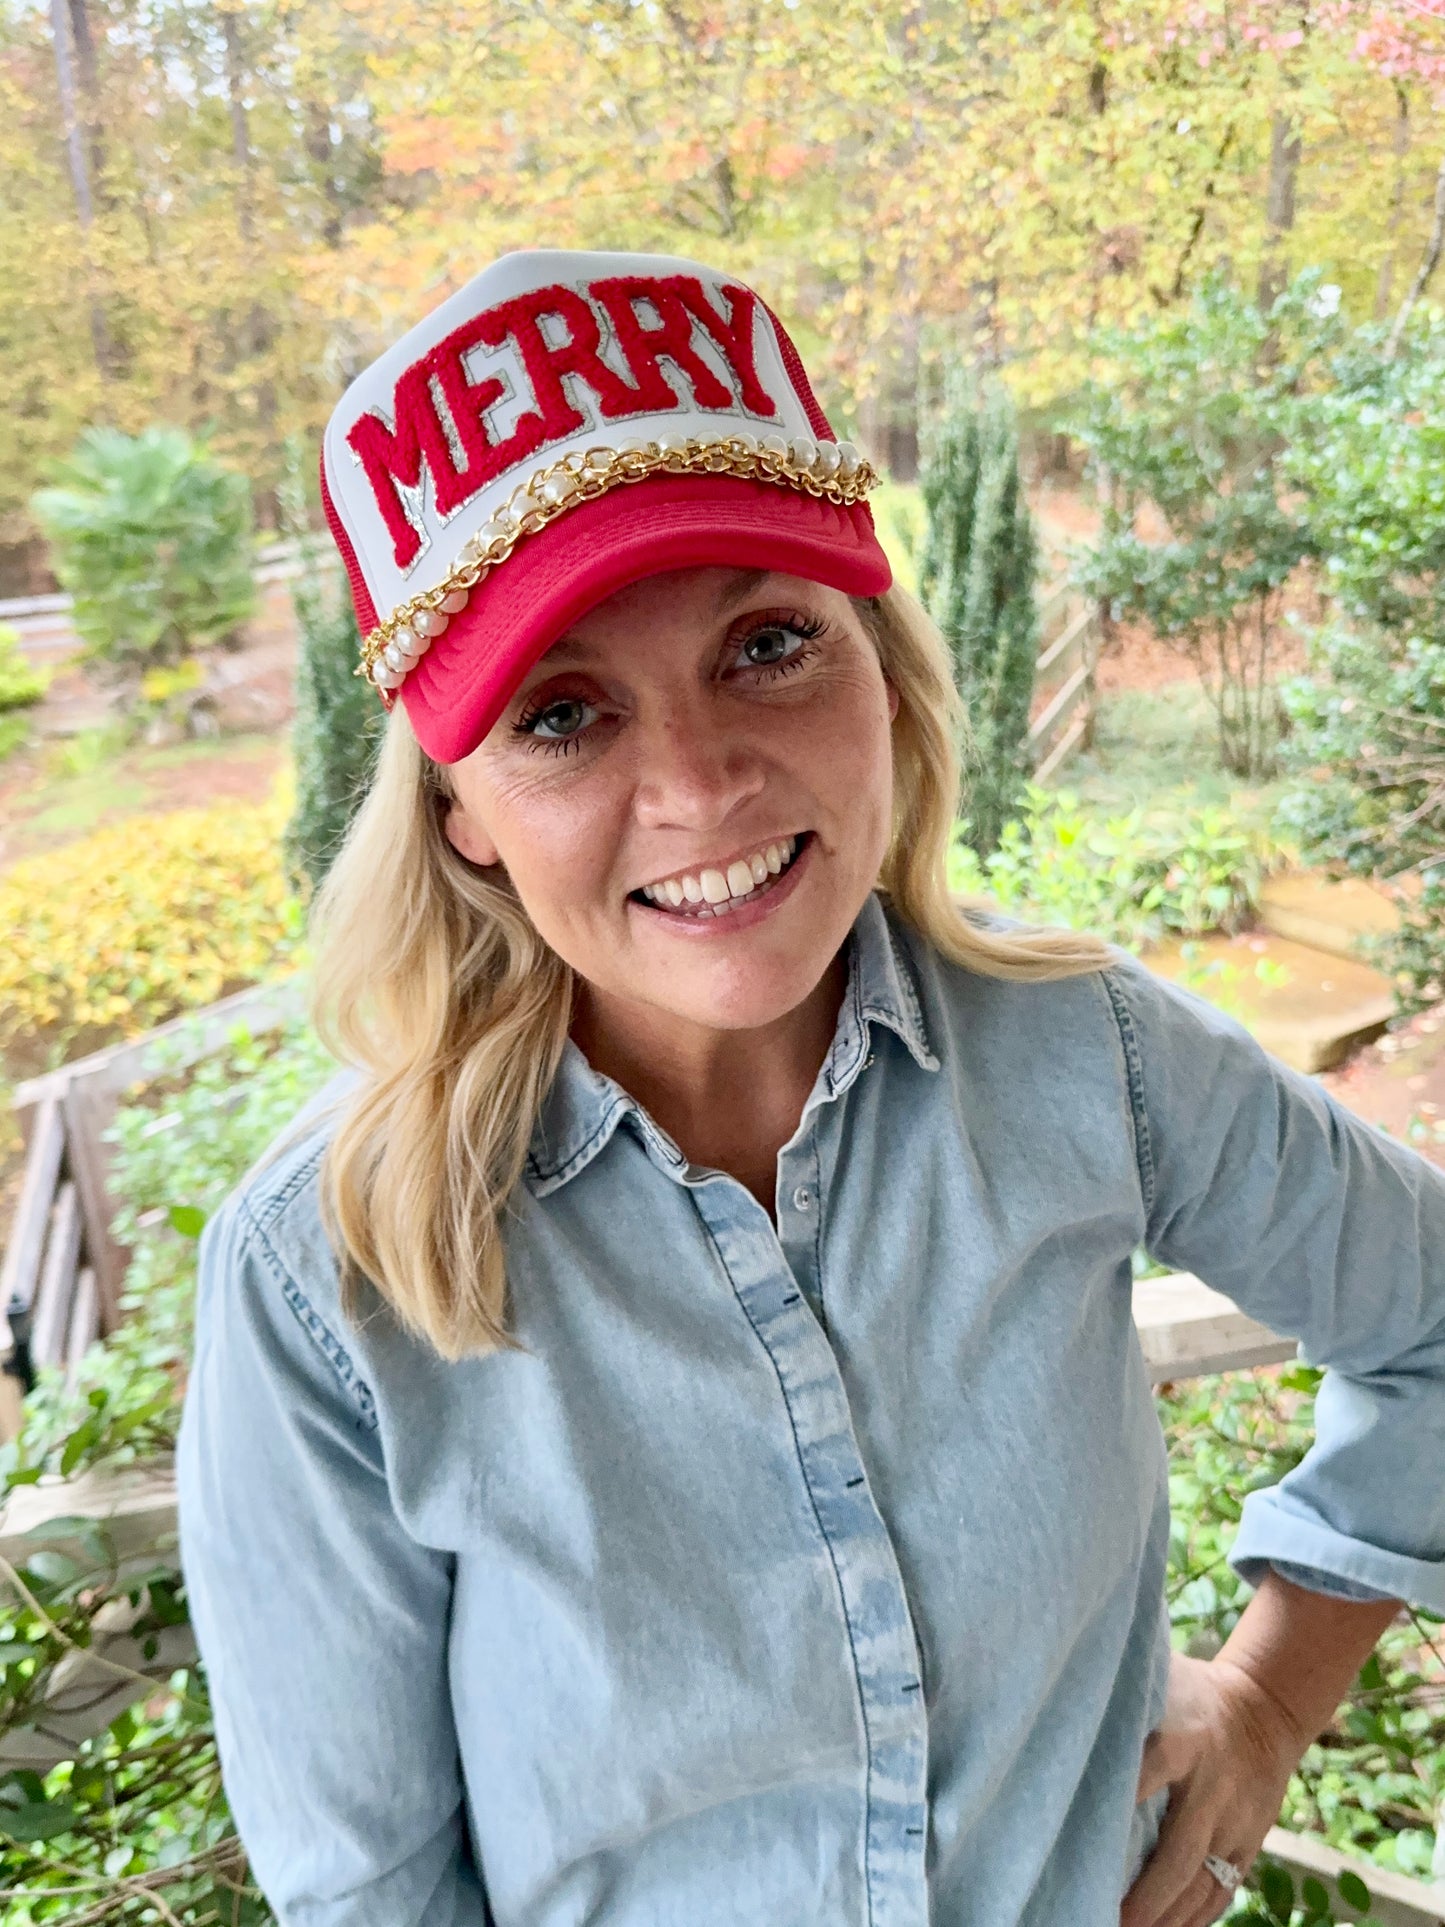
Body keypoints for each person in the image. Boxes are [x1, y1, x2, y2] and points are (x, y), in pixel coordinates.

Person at [176, 248, 1445, 1927]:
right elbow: (370, 1896)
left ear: (884, 673)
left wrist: (1275, 1695)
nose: (698, 785)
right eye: (562, 714)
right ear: (457, 811)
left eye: (766, 643)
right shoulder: (327, 1276)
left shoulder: (1094, 1059)